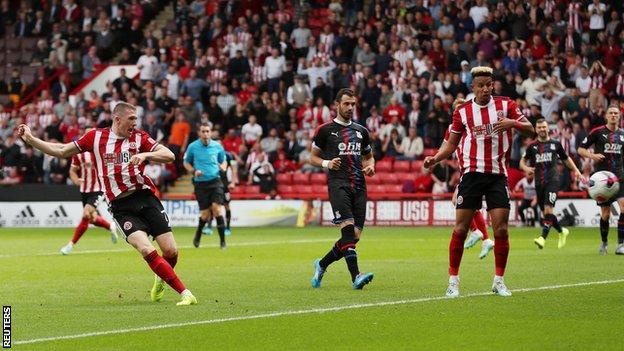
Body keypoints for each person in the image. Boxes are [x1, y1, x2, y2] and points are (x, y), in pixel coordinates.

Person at [17, 102, 197, 306]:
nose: (135, 123)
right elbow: (62, 151)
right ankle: (185, 293)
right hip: (121, 207)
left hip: (145, 198)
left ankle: (161, 277)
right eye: (131, 119)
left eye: (136, 119)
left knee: (171, 251)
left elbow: (170, 155)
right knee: (146, 250)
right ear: (117, 119)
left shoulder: (139, 137)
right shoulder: (95, 137)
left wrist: (145, 155)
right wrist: (31, 139)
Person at [424, 67, 534, 298]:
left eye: (489, 84)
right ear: (472, 88)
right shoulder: (463, 111)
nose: (485, 89)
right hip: (471, 174)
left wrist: (512, 123)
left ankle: (499, 281)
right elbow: (451, 144)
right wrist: (435, 158)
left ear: (493, 85)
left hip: (497, 175)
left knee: (502, 229)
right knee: (461, 229)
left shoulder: (507, 105)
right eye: (480, 85)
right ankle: (453, 281)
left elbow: (531, 129)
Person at [310, 88, 375, 290]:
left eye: (353, 104)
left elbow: (368, 156)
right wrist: (327, 164)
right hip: (338, 185)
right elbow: (312, 157)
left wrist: (371, 165)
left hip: (359, 187)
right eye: (346, 104)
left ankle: (321, 265)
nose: (350, 107)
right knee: (347, 231)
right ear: (337, 105)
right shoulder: (325, 130)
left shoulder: (361, 131)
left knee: (353, 237)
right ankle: (356, 276)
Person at [443, 98, 494, 260]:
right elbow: (446, 146)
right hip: (465, 170)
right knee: (468, 205)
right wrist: (436, 158)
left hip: (473, 170)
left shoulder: (473, 126)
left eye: (462, 108)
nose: (460, 111)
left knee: (457, 201)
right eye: (457, 109)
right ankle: (485, 238)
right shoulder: (452, 128)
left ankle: (478, 232)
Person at [521, 119, 583, 249]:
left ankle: (542, 238)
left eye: (544, 127)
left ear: (548, 128)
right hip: (539, 184)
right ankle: (562, 231)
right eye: (539, 127)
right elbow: (522, 161)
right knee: (546, 214)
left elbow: (566, 159)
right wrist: (526, 168)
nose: (542, 129)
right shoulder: (532, 146)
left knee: (549, 209)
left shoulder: (556, 144)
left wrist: (576, 171)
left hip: (553, 181)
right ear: (536, 130)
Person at [578, 106, 624, 255]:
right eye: (610, 113)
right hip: (602, 180)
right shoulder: (598, 132)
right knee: (605, 214)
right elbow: (580, 149)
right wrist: (593, 156)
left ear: (619, 116)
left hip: (619, 178)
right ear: (606, 115)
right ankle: (604, 242)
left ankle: (620, 244)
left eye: (616, 113)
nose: (613, 115)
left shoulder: (623, 134)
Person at [60, 138, 119, 255]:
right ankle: (110, 226)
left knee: (86, 214)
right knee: (92, 219)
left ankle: (70, 245)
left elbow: (116, 162)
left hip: (99, 189)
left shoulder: (101, 152)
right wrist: (76, 180)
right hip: (84, 190)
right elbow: (72, 171)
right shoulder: (79, 154)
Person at [183, 123, 228, 249]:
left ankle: (223, 242)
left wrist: (223, 166)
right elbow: (186, 163)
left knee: (217, 209)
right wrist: (193, 171)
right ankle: (198, 234)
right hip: (200, 183)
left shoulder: (217, 146)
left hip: (215, 181)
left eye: (208, 131)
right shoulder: (192, 147)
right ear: (199, 133)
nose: (206, 134)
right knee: (205, 214)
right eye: (203, 131)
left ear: (211, 132)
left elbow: (223, 160)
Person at [203, 150, 238, 236]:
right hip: (212, 184)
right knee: (211, 205)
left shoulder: (228, 155)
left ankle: (228, 228)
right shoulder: (209, 154)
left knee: (226, 206)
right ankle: (209, 227)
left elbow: (234, 169)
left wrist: (233, 182)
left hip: (224, 185)